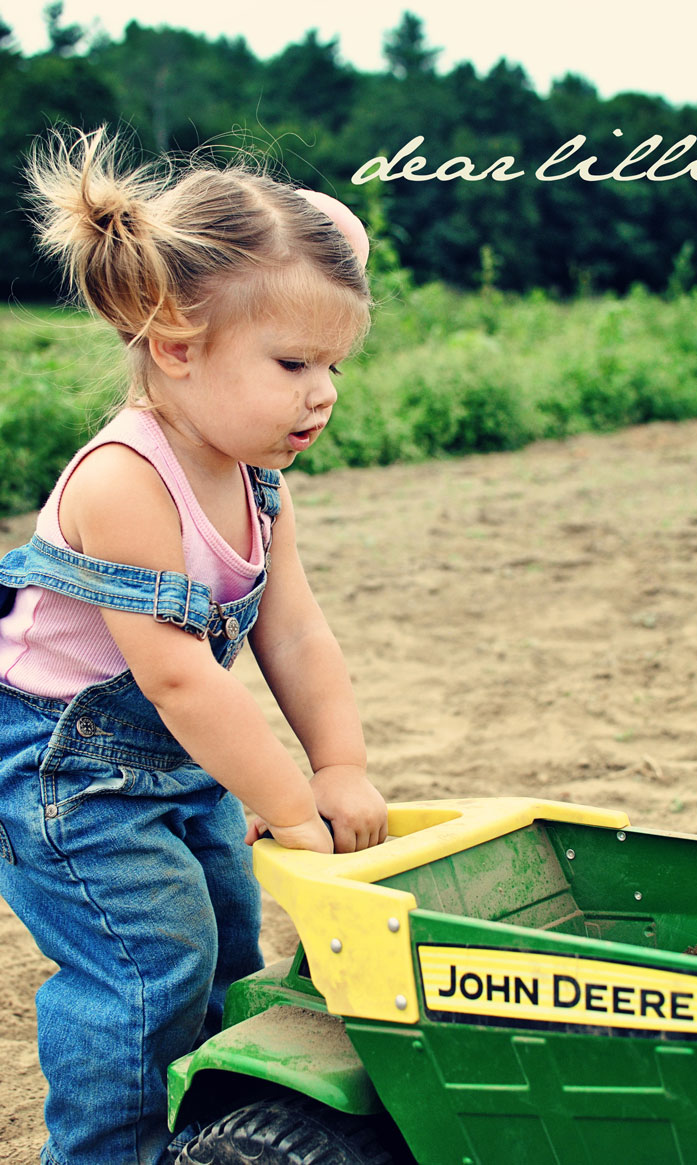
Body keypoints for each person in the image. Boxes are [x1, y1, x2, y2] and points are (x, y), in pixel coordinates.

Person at [0, 127, 387, 1165]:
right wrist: (291, 805)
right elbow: (174, 674)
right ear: (177, 346)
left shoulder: (258, 477)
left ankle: (218, 1137)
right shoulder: (125, 479)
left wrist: (337, 763)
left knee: (224, 938)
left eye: (336, 364)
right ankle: (108, 1155)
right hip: (65, 768)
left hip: (177, 756)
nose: (324, 392)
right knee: (147, 966)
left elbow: (293, 629)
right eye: (295, 362)